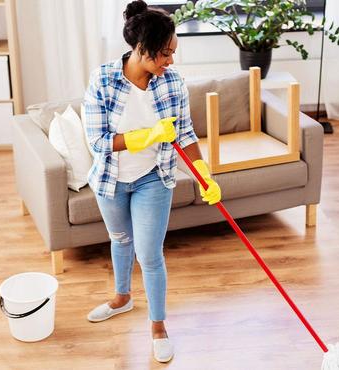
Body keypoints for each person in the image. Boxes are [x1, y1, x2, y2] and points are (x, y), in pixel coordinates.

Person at [83, 0, 221, 363]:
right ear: (141, 47)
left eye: (173, 53)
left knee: (150, 255)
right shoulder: (104, 80)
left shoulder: (173, 82)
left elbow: (186, 134)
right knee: (120, 239)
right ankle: (122, 298)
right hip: (111, 179)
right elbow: (97, 142)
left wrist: (203, 173)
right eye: (164, 53)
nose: (170, 61)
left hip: (152, 179)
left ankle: (158, 326)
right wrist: (144, 136)